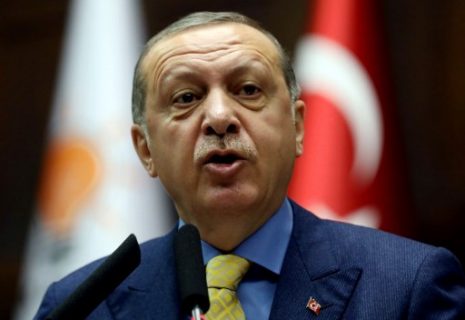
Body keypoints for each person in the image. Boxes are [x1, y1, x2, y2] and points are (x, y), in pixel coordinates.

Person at [34, 11, 465, 320]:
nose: (220, 117)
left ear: (297, 127)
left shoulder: (408, 286)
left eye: (248, 89)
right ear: (145, 149)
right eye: (186, 97)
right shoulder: (82, 305)